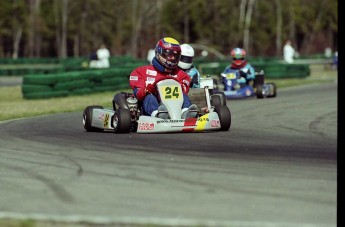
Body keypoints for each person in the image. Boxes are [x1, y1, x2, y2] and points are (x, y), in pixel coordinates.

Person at [129, 37, 198, 119]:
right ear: (159, 53)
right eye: (169, 54)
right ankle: (158, 114)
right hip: (150, 108)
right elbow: (137, 94)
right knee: (149, 96)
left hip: (176, 107)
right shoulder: (140, 72)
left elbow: (184, 90)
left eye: (175, 55)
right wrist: (146, 90)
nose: (172, 58)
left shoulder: (182, 75)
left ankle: (186, 113)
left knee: (182, 94)